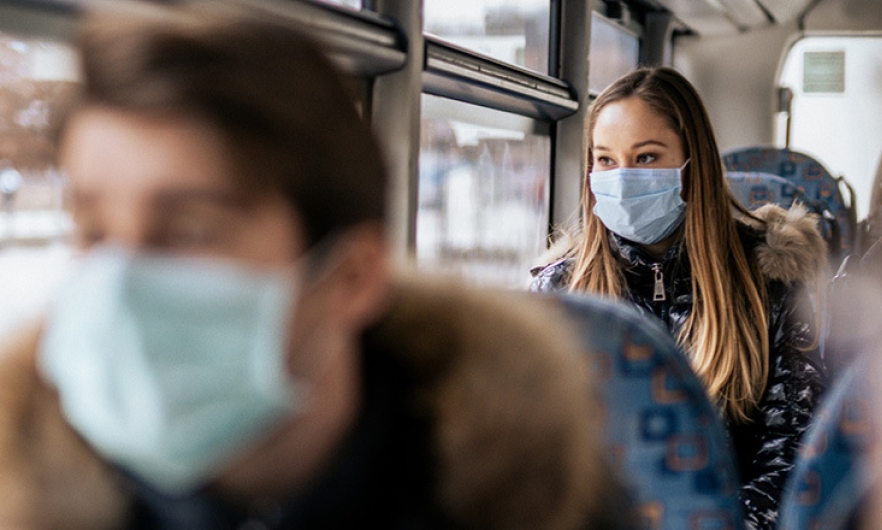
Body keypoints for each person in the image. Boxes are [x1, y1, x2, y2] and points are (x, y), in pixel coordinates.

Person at [0, 7, 635, 530]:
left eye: (191, 228)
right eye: (93, 229)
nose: (120, 277)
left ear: (352, 277)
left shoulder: (539, 504)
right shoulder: (31, 496)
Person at [530, 67, 828, 530]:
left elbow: (793, 456)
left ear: (694, 164)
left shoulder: (768, 280)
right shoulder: (559, 295)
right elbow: (535, 461)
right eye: (606, 161)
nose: (623, 179)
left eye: (646, 157)